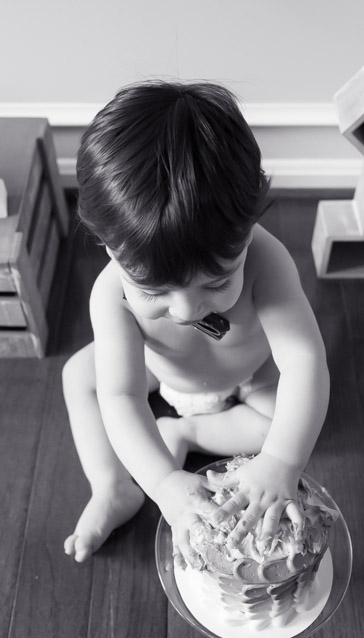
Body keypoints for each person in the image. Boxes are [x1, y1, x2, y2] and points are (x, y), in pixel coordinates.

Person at [62, 81, 330, 566]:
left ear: (247, 234)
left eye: (217, 281)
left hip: (248, 377)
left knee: (284, 418)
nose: (187, 312)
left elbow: (304, 361)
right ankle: (112, 487)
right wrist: (163, 484)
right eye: (153, 290)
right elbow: (120, 394)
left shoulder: (267, 261)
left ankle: (187, 435)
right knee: (80, 379)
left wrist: (281, 462)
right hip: (158, 369)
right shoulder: (110, 294)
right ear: (107, 246)